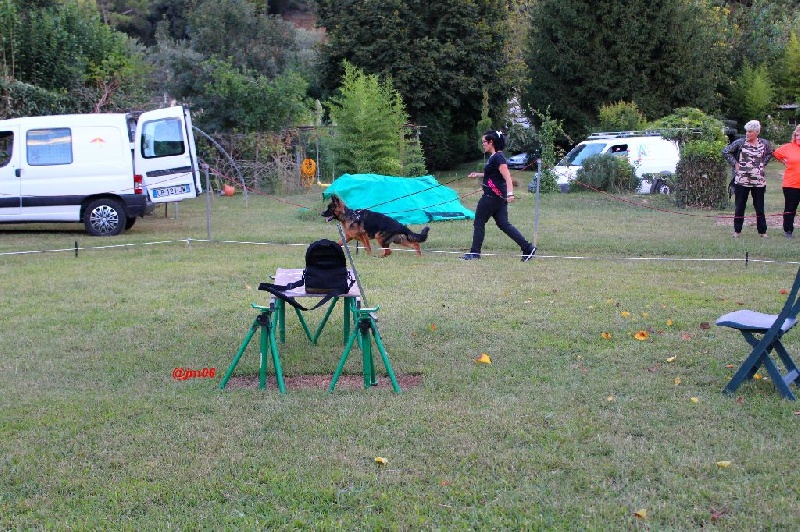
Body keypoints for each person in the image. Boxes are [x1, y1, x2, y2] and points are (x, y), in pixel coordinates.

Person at [461, 130, 536, 261]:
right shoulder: (495, 156)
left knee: (479, 222)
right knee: (503, 224)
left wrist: (511, 193)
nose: (483, 144)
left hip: (491, 197)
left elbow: (507, 176)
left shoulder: (498, 157)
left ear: (491, 142)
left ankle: (474, 253)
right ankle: (527, 248)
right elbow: (493, 174)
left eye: (484, 141)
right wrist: (478, 175)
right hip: (498, 199)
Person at [722, 120, 773, 237]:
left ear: (757, 132)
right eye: (746, 131)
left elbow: (770, 153)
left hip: (758, 182)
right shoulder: (740, 143)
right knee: (740, 206)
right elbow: (725, 151)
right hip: (742, 181)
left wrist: (763, 164)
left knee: (759, 207)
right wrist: (735, 163)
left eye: (750, 132)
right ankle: (737, 231)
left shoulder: (764, 143)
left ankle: (763, 231)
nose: (747, 134)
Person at [772, 124, 800, 238]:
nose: (798, 137)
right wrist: (785, 162)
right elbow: (776, 154)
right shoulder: (788, 147)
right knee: (790, 208)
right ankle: (788, 231)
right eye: (797, 135)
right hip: (791, 184)